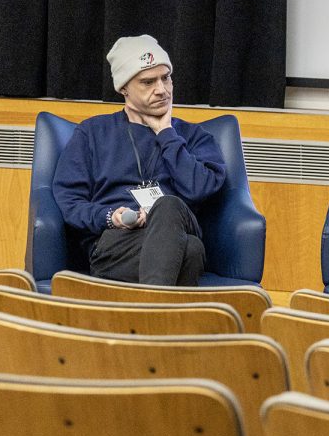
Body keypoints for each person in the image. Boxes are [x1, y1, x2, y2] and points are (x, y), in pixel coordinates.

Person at [52, 35, 226, 286]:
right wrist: (111, 216)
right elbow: (70, 202)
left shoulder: (194, 136)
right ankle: (161, 319)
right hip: (116, 244)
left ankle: (147, 311)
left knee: (167, 206)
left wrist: (166, 135)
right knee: (191, 251)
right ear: (124, 88)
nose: (162, 90)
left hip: (177, 226)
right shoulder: (92, 133)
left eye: (166, 78)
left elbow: (200, 189)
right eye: (148, 82)